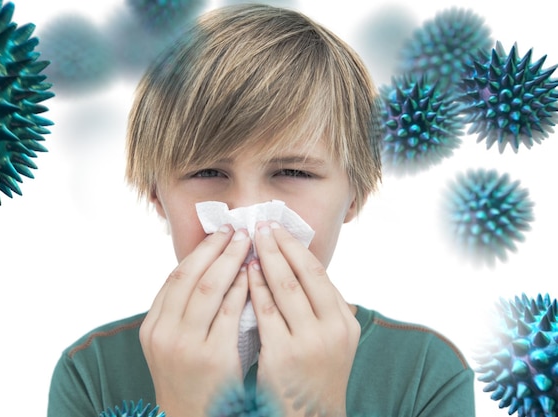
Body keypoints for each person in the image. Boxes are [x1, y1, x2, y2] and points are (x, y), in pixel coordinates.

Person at [47, 4, 475, 417]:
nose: (247, 211)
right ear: (156, 195)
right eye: (207, 171)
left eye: (293, 171)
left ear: (357, 195)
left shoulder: (426, 375)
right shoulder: (92, 373)